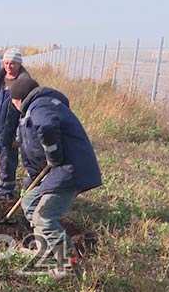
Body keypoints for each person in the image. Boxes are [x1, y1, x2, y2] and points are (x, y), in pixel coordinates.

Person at [9, 77, 102, 278]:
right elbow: (33, 148)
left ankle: (68, 264)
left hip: (69, 171)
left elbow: (47, 127)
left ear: (19, 99)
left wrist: (53, 155)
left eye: (13, 100)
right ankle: (46, 250)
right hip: (58, 171)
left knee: (45, 216)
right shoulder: (38, 106)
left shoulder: (39, 106)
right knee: (29, 202)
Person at [0, 48, 32, 200]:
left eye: (13, 64)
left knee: (7, 162)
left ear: (19, 64)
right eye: (6, 63)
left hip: (10, 128)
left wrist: (19, 135)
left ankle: (5, 191)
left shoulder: (25, 83)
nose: (9, 66)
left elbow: (27, 112)